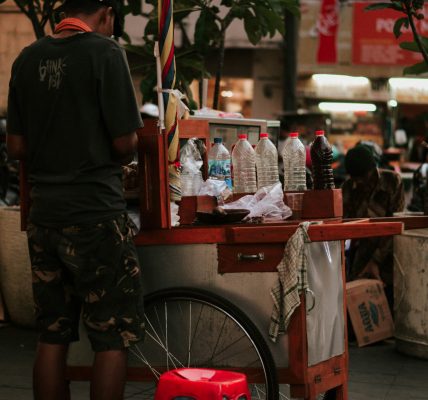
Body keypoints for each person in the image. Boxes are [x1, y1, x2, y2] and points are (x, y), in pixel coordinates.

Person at [6, 1, 144, 399]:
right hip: (95, 215)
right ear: (105, 13)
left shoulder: (27, 58)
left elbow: (16, 145)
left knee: (52, 334)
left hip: (44, 215)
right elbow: (124, 142)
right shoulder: (105, 53)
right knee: (111, 338)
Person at [342, 144, 404, 308]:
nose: (361, 182)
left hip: (390, 252)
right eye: (357, 179)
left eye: (364, 177)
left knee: (391, 301)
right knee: (358, 304)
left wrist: (376, 261)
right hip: (361, 254)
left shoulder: (392, 182)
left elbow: (396, 224)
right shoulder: (349, 188)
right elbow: (342, 226)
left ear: (374, 168)